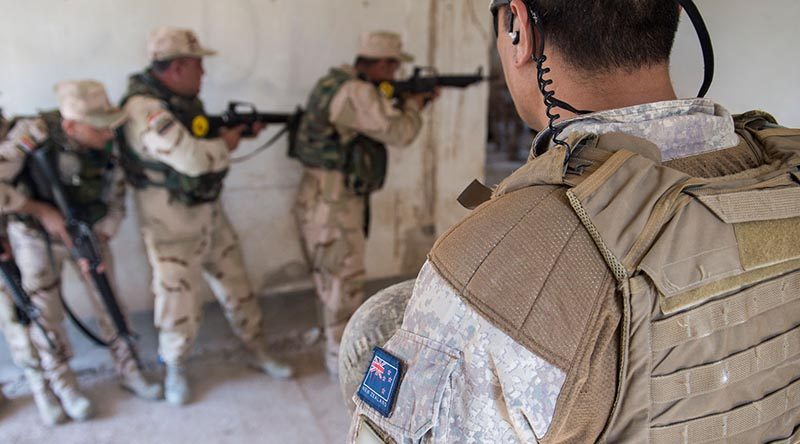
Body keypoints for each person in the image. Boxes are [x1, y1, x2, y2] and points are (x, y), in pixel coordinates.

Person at [347, 1, 800, 442]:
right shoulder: (787, 168)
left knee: (374, 324)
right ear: (676, 15)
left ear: (519, 30)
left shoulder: (492, 262)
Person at [118, 27, 293, 406]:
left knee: (239, 289)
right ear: (178, 67)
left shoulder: (180, 102)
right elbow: (194, 159)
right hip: (172, 229)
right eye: (198, 66)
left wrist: (232, 134)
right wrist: (226, 143)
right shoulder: (144, 109)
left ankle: (257, 348)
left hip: (210, 218)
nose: (204, 74)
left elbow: (198, 140)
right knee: (176, 306)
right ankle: (174, 369)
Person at [4, 80, 162, 422]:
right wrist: (38, 209)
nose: (109, 135)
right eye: (99, 128)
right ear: (70, 126)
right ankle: (64, 387)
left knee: (110, 302)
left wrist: (103, 233)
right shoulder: (32, 135)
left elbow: (116, 192)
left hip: (87, 232)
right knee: (45, 313)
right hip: (35, 237)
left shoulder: (108, 138)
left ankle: (130, 370)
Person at [292, 31, 436, 376]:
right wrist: (415, 106)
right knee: (344, 281)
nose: (395, 74)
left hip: (320, 195)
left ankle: (332, 348)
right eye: (394, 66)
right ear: (383, 63)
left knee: (330, 279)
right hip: (334, 203)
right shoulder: (357, 91)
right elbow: (399, 132)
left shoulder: (335, 80)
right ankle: (340, 363)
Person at [0, 114, 66, 426]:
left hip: (22, 234)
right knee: (15, 321)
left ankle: (62, 384)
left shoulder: (21, 129)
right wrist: (36, 208)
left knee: (42, 313)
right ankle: (41, 390)